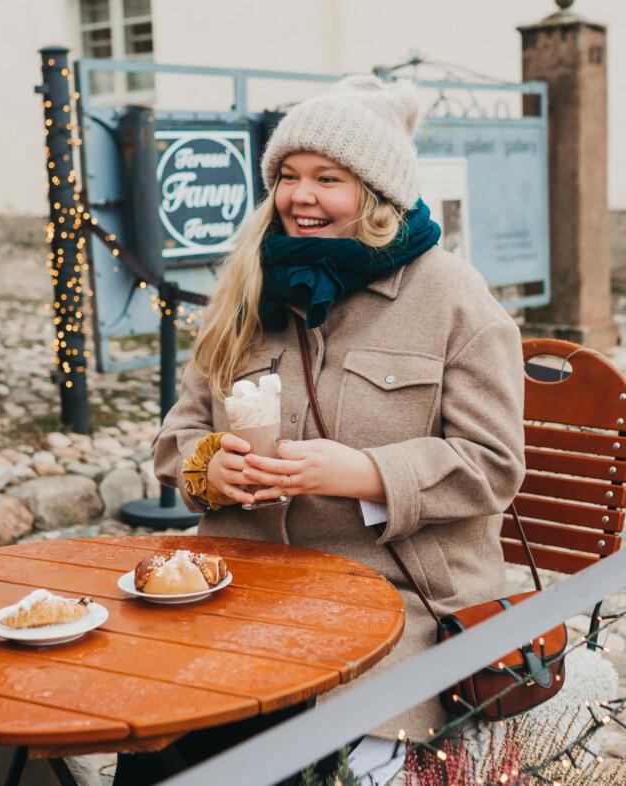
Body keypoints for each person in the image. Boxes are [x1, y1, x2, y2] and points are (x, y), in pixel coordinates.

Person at [152, 76, 525, 781]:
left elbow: (495, 462)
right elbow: (176, 438)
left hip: (398, 601)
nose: (301, 196)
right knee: (161, 747)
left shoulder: (450, 296)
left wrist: (365, 474)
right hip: (245, 587)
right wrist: (207, 468)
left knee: (311, 764)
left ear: (378, 195)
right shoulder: (247, 290)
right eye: (288, 176)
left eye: (329, 178)